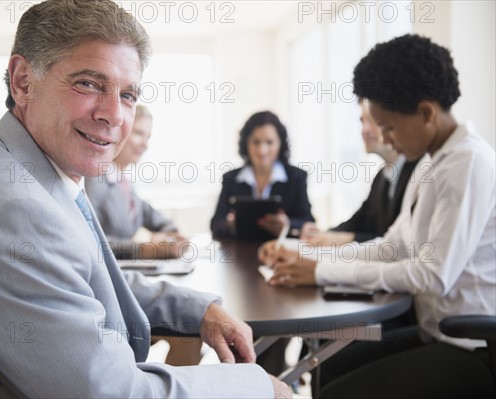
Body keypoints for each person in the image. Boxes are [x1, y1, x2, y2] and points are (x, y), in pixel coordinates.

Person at [0, 1, 291, 397]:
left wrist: (197, 309)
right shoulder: (14, 214)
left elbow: (82, 277)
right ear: (22, 81)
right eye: (89, 84)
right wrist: (257, 388)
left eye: (127, 95)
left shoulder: (21, 169)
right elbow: (116, 393)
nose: (113, 115)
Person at [259, 34, 496, 398]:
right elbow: (392, 246)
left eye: (389, 126)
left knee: (341, 391)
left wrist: (323, 270)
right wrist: (310, 256)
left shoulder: (469, 164)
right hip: (434, 331)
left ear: (427, 113)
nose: (386, 137)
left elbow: (432, 275)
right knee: (328, 368)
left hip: (470, 344)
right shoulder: (431, 164)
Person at [300, 99, 420, 246]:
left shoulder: (419, 173)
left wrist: (347, 239)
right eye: (362, 121)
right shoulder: (381, 176)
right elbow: (358, 221)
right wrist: (323, 235)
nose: (365, 130)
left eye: (374, 121)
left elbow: (399, 244)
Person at [85, 105, 187, 260]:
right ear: (119, 132)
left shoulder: (125, 185)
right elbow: (90, 240)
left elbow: (162, 222)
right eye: (139, 133)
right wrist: (144, 249)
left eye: (148, 137)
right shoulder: (94, 178)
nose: (145, 144)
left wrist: (169, 238)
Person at [211, 111, 314, 239]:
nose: (262, 150)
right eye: (256, 142)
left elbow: (308, 222)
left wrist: (288, 224)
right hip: (241, 253)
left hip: (281, 253)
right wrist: (229, 224)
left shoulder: (296, 177)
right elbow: (215, 223)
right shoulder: (230, 179)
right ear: (246, 143)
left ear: (280, 144)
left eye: (269, 142)